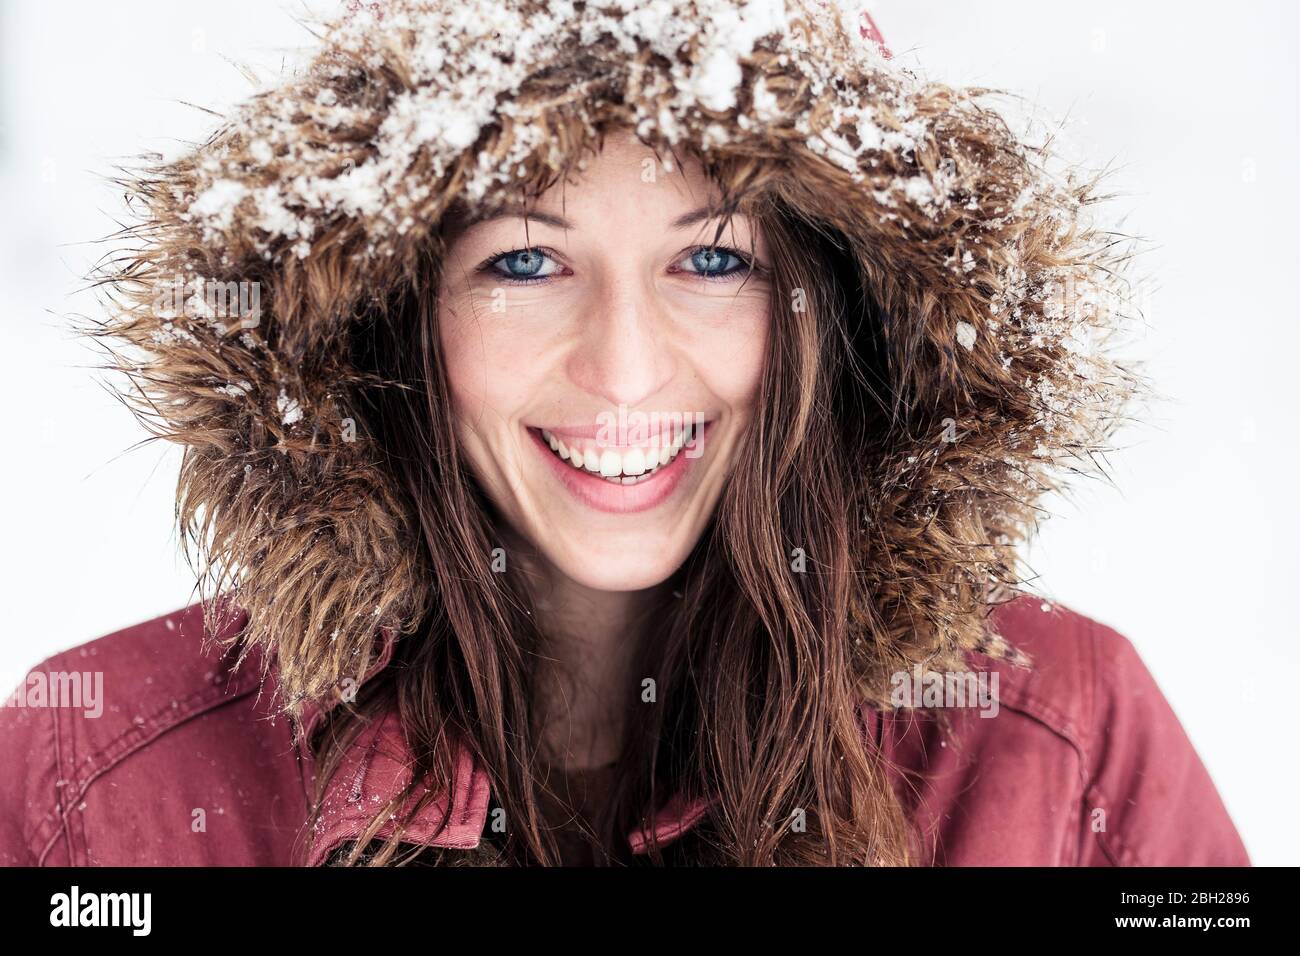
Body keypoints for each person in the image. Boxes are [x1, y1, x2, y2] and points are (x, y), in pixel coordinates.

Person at [0, 0, 1248, 866]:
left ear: (832, 307)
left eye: (711, 258)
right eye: (527, 260)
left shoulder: (1061, 737)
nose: (625, 368)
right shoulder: (99, 779)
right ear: (385, 315)